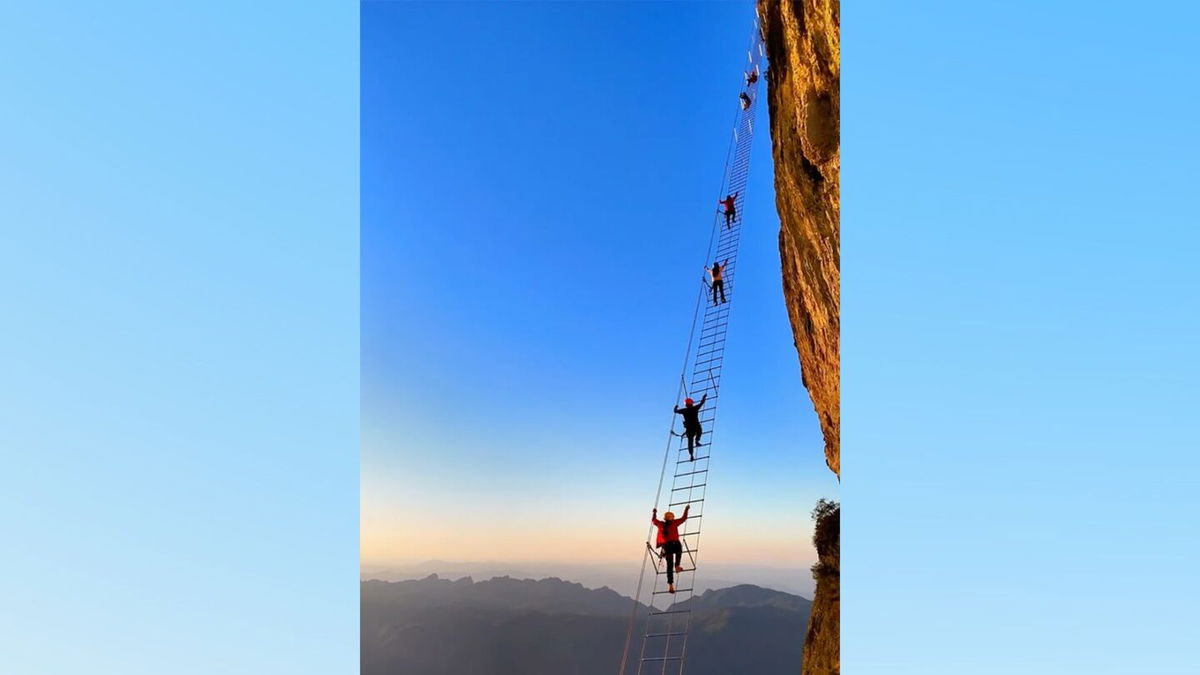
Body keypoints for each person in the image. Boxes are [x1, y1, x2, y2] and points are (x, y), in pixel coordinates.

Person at [652, 505, 690, 593]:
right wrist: (686, 509)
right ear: (672, 518)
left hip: (666, 546)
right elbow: (684, 518)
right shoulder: (674, 523)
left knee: (669, 566)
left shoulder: (661, 524)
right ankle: (677, 566)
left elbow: (653, 521)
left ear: (665, 518)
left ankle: (670, 586)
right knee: (679, 552)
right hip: (675, 544)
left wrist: (654, 513)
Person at [674, 393, 707, 460]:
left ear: (686, 404)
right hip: (695, 426)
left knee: (690, 443)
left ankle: (691, 455)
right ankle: (697, 440)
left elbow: (675, 411)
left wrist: (676, 407)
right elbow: (701, 403)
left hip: (689, 430)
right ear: (691, 403)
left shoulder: (684, 410)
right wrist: (704, 397)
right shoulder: (694, 408)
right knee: (699, 431)